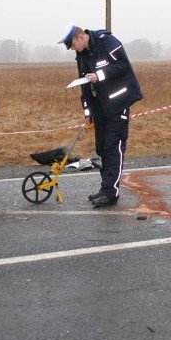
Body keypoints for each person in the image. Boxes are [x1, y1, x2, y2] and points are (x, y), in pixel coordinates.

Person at [59, 24, 143, 207]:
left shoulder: (108, 42)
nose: (72, 49)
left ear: (80, 37)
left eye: (72, 44)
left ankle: (111, 192)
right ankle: (106, 187)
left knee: (113, 147)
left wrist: (100, 75)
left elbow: (123, 65)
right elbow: (84, 86)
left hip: (118, 103)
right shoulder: (81, 56)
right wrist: (87, 113)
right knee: (102, 148)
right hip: (100, 108)